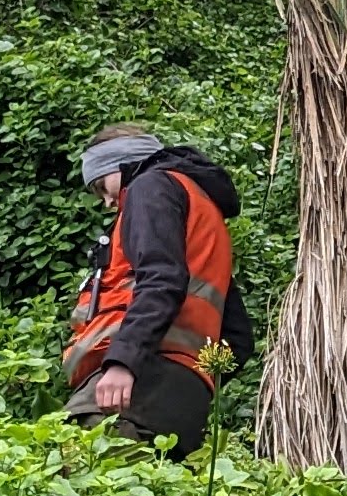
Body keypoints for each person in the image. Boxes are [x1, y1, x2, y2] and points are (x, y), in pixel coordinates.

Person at [64, 122, 243, 453]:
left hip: (142, 378)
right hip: (184, 397)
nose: (106, 202)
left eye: (102, 186)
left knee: (72, 465)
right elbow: (239, 335)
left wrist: (123, 362)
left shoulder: (149, 187)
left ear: (122, 162)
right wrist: (193, 386)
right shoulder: (201, 208)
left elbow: (161, 279)